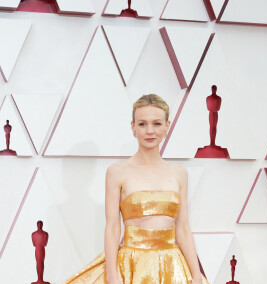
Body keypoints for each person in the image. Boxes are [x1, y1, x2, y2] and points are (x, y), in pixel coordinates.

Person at [64, 94, 210, 284]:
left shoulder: (179, 173)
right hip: (131, 266)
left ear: (167, 127)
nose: (150, 131)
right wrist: (112, 276)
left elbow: (182, 228)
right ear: (133, 128)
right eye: (142, 124)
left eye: (157, 124)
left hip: (172, 267)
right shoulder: (117, 172)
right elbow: (113, 228)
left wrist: (196, 274)